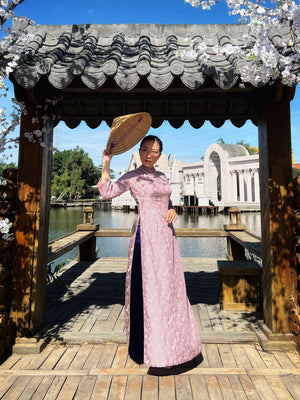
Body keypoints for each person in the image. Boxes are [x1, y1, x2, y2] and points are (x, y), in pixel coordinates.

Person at [98, 135, 202, 368]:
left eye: (154, 151)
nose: (148, 154)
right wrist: (106, 164)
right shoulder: (133, 176)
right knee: (147, 289)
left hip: (166, 237)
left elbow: (167, 200)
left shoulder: (162, 176)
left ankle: (177, 348)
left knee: (169, 288)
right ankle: (145, 349)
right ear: (139, 151)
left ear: (160, 154)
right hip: (145, 238)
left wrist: (173, 209)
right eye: (145, 150)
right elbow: (107, 192)